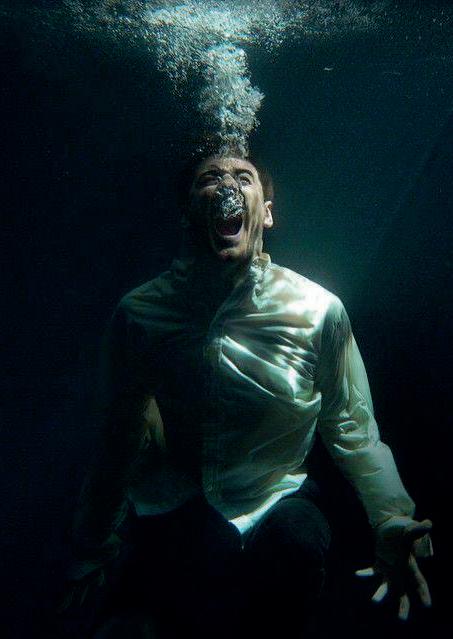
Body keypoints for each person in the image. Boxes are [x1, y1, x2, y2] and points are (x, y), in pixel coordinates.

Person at [61, 152, 433, 638]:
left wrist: (391, 518)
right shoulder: (141, 315)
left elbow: (354, 429)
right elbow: (119, 435)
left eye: (243, 177)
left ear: (267, 212)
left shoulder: (318, 310)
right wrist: (93, 544)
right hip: (178, 501)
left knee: (295, 546)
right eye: (209, 179)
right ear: (187, 211)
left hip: (276, 498)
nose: (227, 188)